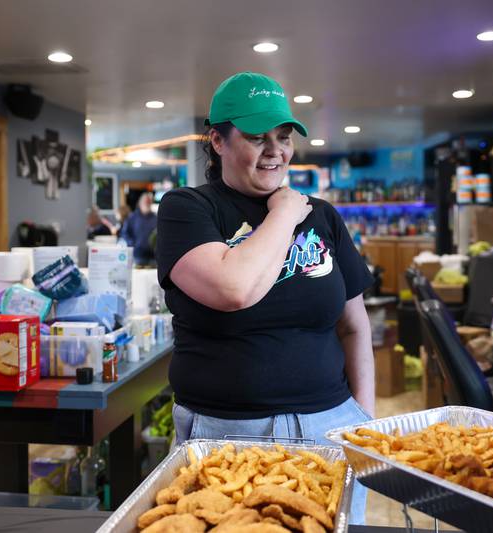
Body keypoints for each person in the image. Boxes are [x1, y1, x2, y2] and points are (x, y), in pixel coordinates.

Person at [155, 72, 375, 524]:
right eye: (257, 137)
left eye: (284, 136)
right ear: (217, 140)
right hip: (227, 435)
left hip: (330, 428)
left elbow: (354, 325)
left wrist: (364, 420)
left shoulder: (325, 217)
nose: (276, 150)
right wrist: (286, 212)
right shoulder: (188, 208)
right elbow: (233, 289)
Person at [120, 192, 157, 266]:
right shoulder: (132, 217)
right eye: (145, 201)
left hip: (153, 256)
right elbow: (124, 233)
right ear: (140, 202)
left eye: (149, 201)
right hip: (137, 256)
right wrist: (132, 244)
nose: (147, 203)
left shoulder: (155, 218)